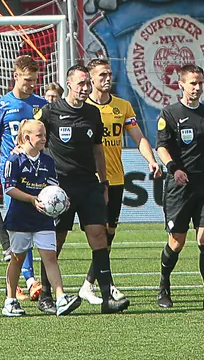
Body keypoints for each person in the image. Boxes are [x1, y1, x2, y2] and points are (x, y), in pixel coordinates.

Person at [35, 66, 129, 314]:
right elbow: (30, 133)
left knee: (99, 236)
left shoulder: (93, 113)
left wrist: (104, 182)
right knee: (57, 240)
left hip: (89, 184)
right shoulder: (50, 111)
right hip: (60, 187)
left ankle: (108, 296)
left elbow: (98, 149)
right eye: (81, 83)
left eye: (88, 83)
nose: (85, 87)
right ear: (68, 84)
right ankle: (47, 295)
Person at [80, 57, 161, 304]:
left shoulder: (122, 107)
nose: (107, 79)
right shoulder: (82, 108)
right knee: (99, 235)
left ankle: (90, 284)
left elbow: (138, 137)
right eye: (101, 75)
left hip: (115, 180)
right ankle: (106, 285)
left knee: (110, 233)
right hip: (91, 181)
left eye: (109, 74)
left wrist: (151, 159)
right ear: (91, 78)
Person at [156, 64, 204, 310]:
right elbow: (161, 147)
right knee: (177, 241)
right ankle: (163, 287)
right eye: (193, 83)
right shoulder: (169, 114)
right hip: (179, 188)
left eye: (201, 83)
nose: (198, 87)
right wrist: (173, 169)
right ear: (181, 84)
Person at [0, 54, 47, 299]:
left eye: (34, 80)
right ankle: (27, 279)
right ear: (15, 76)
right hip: (13, 176)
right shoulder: (1, 106)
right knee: (20, 226)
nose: (31, 85)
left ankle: (29, 279)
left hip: (39, 174)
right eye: (27, 80)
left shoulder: (42, 105)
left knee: (41, 227)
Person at [0, 119, 78, 317]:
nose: (44, 138)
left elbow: (53, 188)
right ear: (26, 137)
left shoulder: (48, 161)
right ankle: (10, 300)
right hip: (20, 218)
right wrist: (32, 199)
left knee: (50, 257)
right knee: (17, 258)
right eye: (40, 135)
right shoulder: (14, 160)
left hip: (43, 218)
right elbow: (9, 188)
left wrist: (63, 199)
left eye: (44, 135)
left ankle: (61, 298)